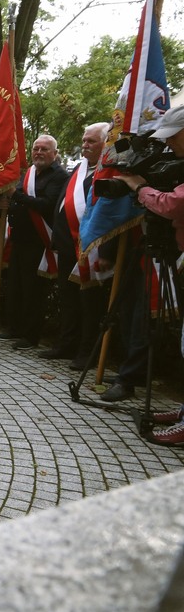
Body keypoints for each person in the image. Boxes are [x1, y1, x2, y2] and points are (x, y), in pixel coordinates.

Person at [104, 105, 184, 414]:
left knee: (151, 318)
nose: (169, 146)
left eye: (173, 138)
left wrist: (139, 186)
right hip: (159, 246)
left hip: (172, 253)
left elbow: (173, 205)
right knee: (132, 310)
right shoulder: (172, 162)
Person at [40, 123, 109, 364]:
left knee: (88, 303)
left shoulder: (107, 171)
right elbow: (63, 202)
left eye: (91, 141)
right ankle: (66, 344)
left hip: (89, 248)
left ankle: (86, 352)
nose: (85, 145)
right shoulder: (79, 169)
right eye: (84, 140)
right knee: (68, 299)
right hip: (67, 244)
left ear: (105, 143)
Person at [0, 135, 67, 350]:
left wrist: (15, 196)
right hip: (20, 238)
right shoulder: (28, 174)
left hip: (40, 242)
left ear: (54, 153)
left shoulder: (60, 176)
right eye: (36, 148)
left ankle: (31, 335)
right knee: (16, 286)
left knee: (33, 290)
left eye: (44, 149)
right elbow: (21, 203)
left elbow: (46, 205)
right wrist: (8, 203)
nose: (38, 152)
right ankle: (15, 328)